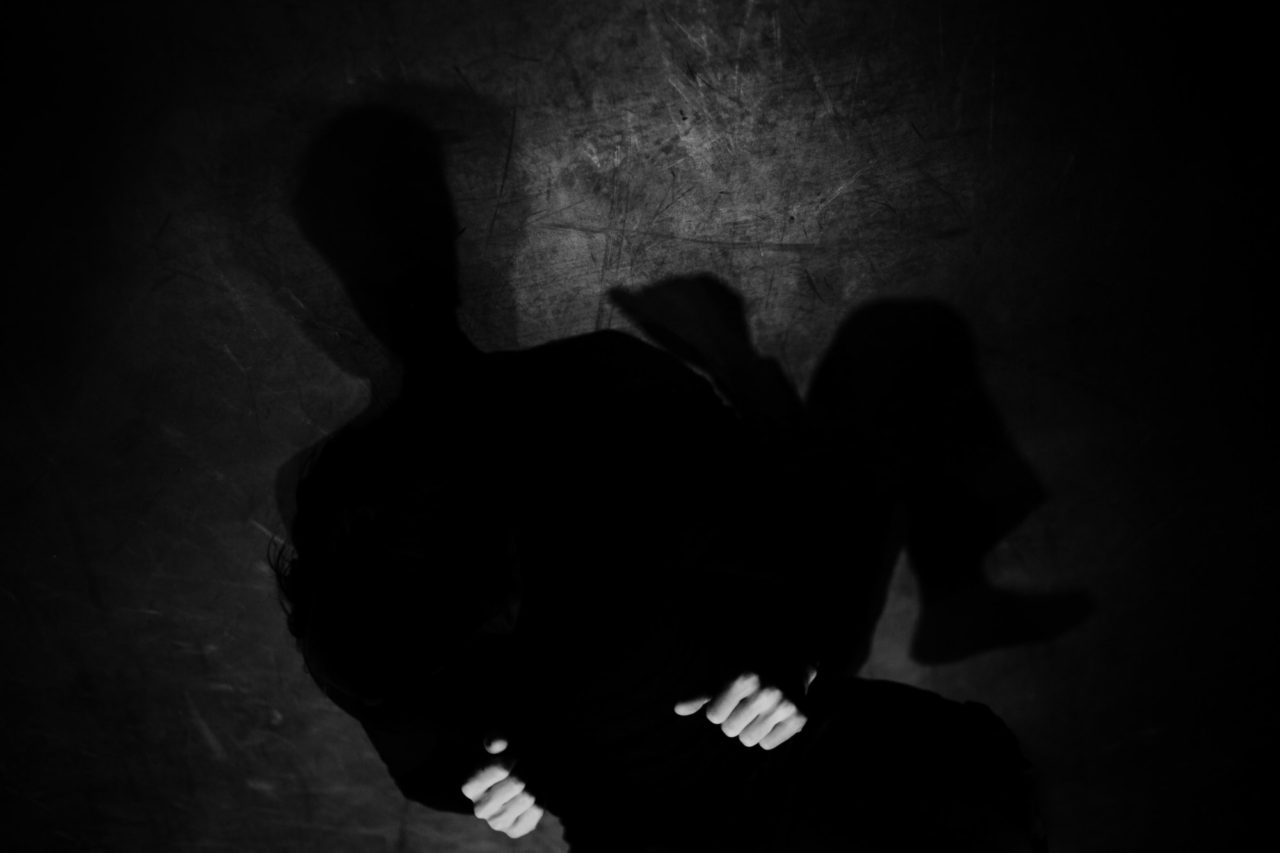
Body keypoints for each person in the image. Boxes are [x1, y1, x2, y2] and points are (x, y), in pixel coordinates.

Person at [271, 104, 1087, 851]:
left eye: (407, 225)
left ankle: (945, 605)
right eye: (369, 243)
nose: (397, 264)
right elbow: (405, 731)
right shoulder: (353, 515)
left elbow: (778, 522)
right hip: (658, 810)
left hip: (791, 757)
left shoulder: (599, 391)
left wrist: (791, 658)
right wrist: (471, 779)